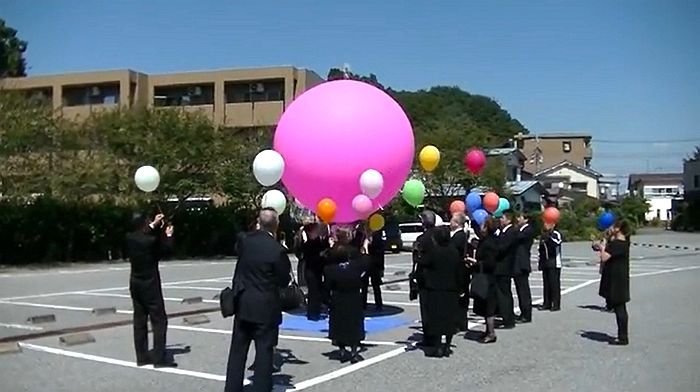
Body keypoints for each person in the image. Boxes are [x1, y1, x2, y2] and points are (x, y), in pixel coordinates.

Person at [224, 208, 291, 392]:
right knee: (264, 352)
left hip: (243, 302)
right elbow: (284, 280)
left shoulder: (246, 242)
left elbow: (239, 244)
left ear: (258, 222)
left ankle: (232, 388)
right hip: (265, 306)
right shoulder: (277, 250)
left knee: (237, 352)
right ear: (277, 225)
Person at [125, 212, 176, 368]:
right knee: (159, 320)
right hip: (150, 283)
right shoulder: (151, 241)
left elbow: (144, 233)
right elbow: (166, 251)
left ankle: (141, 357)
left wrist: (154, 223)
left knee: (139, 320)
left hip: (135, 282)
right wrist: (168, 236)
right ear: (143, 224)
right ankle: (159, 358)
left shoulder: (129, 238)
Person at [417, 226, 465, 357]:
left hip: (435, 288)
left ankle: (438, 346)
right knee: (449, 318)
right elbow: (459, 270)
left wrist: (418, 254)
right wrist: (461, 287)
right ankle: (447, 345)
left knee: (436, 318)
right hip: (451, 289)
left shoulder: (434, 251)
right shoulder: (454, 251)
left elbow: (423, 262)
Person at [324, 227, 368, 363]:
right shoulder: (355, 266)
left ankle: (342, 350)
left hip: (338, 298)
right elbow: (367, 264)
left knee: (339, 325)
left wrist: (326, 300)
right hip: (354, 297)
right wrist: (365, 248)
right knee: (354, 325)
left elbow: (327, 286)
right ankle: (354, 350)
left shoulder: (330, 269)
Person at [595, 220, 631, 345]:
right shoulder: (624, 242)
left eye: (613, 227)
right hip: (620, 277)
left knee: (620, 308)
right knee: (620, 307)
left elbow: (604, 257)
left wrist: (602, 248)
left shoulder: (618, 243)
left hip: (617, 279)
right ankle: (622, 335)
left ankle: (623, 337)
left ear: (618, 229)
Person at [472, 217, 500, 343]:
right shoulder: (485, 241)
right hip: (484, 275)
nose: (481, 228)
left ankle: (491, 333)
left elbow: (490, 263)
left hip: (488, 278)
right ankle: (487, 331)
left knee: (489, 306)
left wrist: (476, 263)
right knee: (484, 305)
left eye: (483, 226)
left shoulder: (490, 243)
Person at [412, 210, 438, 346]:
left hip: (426, 277)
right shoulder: (440, 236)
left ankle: (429, 336)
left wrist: (416, 255)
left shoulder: (423, 239)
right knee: (437, 307)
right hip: (440, 277)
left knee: (426, 309)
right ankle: (437, 334)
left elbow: (419, 260)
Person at [300, 222, 330, 321]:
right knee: (313, 292)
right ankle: (313, 313)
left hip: (318, 270)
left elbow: (324, 246)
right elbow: (308, 257)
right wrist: (320, 255)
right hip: (311, 271)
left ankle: (317, 310)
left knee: (318, 291)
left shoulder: (318, 241)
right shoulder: (308, 243)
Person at [494, 210, 517, 328]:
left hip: (504, 267)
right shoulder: (502, 232)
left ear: (508, 219)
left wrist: (493, 250)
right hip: (500, 267)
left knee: (505, 294)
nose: (500, 220)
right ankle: (504, 316)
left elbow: (503, 248)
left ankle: (508, 319)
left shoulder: (511, 232)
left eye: (502, 218)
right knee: (501, 294)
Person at [448, 213, 469, 331]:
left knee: (459, 298)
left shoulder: (459, 236)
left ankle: (458, 323)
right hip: (459, 269)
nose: (450, 223)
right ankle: (460, 322)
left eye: (452, 221)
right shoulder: (459, 235)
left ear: (457, 223)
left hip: (458, 270)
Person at [513, 212, 535, 323]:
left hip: (522, 264)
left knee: (523, 290)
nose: (517, 219)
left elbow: (517, 237)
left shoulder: (528, 230)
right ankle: (523, 312)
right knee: (520, 290)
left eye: (519, 217)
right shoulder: (521, 230)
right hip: (517, 263)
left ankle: (527, 314)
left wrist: (514, 229)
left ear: (526, 220)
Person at [538, 220, 563, 311]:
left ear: (553, 225)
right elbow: (541, 249)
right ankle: (546, 303)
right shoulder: (543, 235)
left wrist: (549, 235)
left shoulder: (556, 234)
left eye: (547, 223)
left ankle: (556, 304)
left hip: (554, 262)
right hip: (545, 262)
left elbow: (557, 243)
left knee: (554, 284)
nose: (545, 225)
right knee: (546, 284)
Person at [362, 228, 384, 311]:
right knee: (364, 286)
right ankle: (363, 304)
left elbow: (380, 253)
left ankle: (379, 304)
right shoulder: (362, 238)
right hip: (365, 265)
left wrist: (381, 268)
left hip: (374, 265)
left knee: (376, 286)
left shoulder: (377, 238)